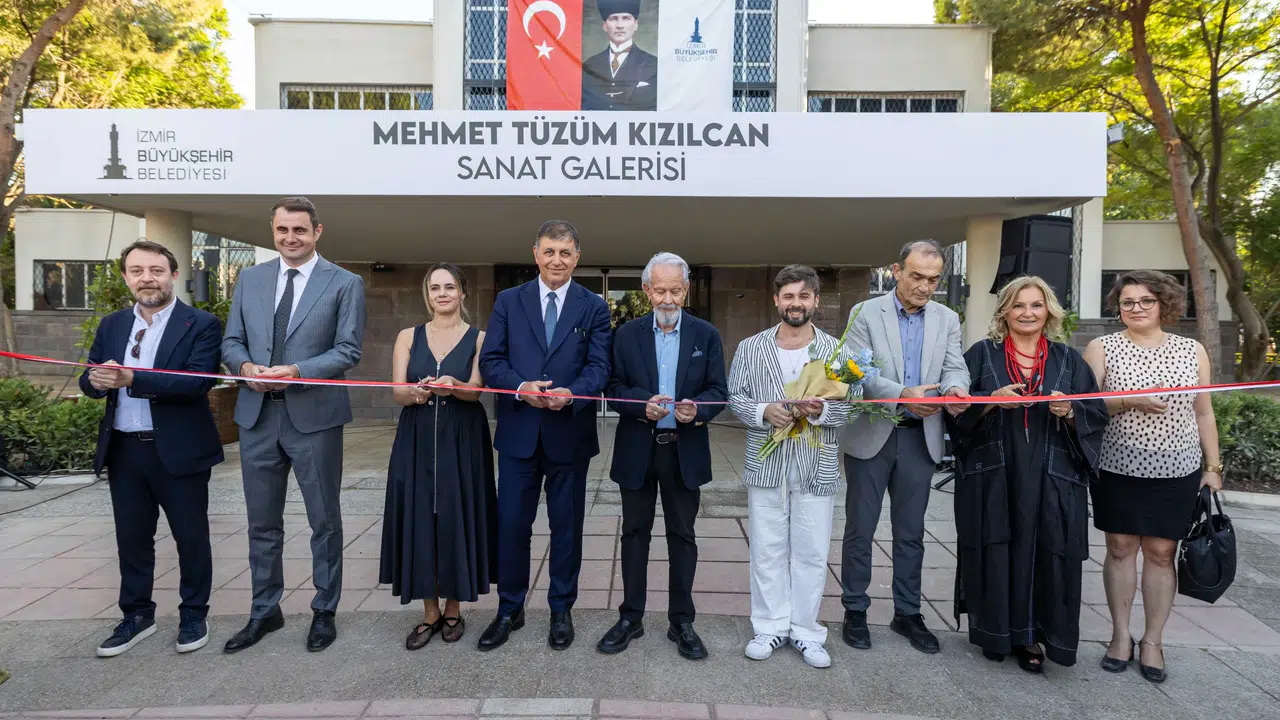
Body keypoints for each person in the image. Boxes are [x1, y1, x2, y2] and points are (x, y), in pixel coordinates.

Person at [221, 197, 366, 654]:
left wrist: (297, 370)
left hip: (314, 417)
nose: (290, 238)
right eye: (282, 229)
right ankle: (265, 610)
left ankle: (324, 610)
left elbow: (348, 349)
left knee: (324, 520)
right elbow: (231, 340)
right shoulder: (250, 279)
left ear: (317, 232)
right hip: (257, 417)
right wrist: (244, 367)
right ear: (273, 231)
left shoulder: (345, 282)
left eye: (300, 229)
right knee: (262, 523)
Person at [945, 276, 1108, 674]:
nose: (1027, 313)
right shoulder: (981, 355)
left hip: (1051, 475)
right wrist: (989, 401)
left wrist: (1070, 412)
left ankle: (1033, 636)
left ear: (1048, 310)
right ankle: (995, 633)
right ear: (1004, 311)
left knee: (1047, 552)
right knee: (995, 546)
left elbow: (1096, 413)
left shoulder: (1068, 360)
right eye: (1019, 305)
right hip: (995, 473)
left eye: (1036, 305)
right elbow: (956, 410)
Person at [79, 240, 224, 657]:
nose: (147, 279)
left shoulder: (200, 323)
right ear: (126, 277)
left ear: (173, 275)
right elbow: (89, 377)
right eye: (137, 271)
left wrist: (133, 379)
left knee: (190, 538)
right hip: (124, 449)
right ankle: (137, 615)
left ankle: (193, 613)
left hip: (179, 449)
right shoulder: (112, 324)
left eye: (156, 271)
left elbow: (199, 381)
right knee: (132, 539)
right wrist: (96, 381)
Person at [477, 220, 612, 651]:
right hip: (519, 433)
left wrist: (573, 394)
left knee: (566, 528)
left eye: (565, 252)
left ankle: (560, 610)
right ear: (535, 253)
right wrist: (521, 387)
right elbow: (492, 360)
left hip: (569, 434)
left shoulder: (594, 306)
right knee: (512, 526)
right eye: (549, 251)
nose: (557, 260)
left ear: (577, 257)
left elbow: (600, 367)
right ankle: (509, 609)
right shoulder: (508, 300)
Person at [1082, 270, 1222, 684]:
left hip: (1178, 468)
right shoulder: (1102, 347)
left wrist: (1213, 468)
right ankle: (1119, 636)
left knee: (1162, 552)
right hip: (1118, 466)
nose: (1136, 308)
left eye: (1146, 301)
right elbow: (1088, 406)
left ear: (1164, 304)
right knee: (1120, 547)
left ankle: (1153, 642)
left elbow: (1204, 411)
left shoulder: (1192, 350)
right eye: (1127, 302)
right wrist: (1129, 401)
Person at [838, 240, 970, 654]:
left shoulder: (947, 318)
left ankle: (907, 613)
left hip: (921, 438)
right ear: (896, 271)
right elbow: (854, 370)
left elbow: (955, 366)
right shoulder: (865, 312)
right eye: (916, 276)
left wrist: (956, 390)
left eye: (933, 279)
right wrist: (901, 395)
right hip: (871, 435)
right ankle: (854, 609)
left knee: (911, 533)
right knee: (860, 529)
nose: (925, 287)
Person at [596, 252, 727, 660]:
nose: (667, 299)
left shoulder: (706, 334)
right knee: (634, 535)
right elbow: (613, 387)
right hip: (638, 448)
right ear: (646, 291)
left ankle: (681, 621)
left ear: (685, 291)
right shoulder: (625, 334)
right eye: (660, 290)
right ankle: (630, 617)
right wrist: (641, 404)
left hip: (684, 451)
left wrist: (698, 409)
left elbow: (718, 391)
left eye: (675, 290)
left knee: (683, 536)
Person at [727, 265, 853, 669]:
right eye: (788, 296)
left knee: (812, 550)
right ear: (776, 300)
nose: (795, 304)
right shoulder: (751, 348)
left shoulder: (837, 351)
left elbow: (852, 407)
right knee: (766, 548)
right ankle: (769, 626)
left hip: (817, 463)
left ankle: (806, 631)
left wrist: (820, 411)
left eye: (803, 296)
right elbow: (735, 397)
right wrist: (764, 411)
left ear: (815, 300)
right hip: (767, 462)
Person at [380, 263, 498, 649]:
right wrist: (414, 393)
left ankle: (454, 608)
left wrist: (454, 385)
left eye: (449, 287)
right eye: (435, 288)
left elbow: (476, 390)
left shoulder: (480, 338)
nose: (442, 293)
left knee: (456, 513)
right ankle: (429, 611)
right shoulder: (407, 337)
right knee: (420, 515)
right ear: (427, 295)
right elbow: (398, 391)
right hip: (415, 436)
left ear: (463, 293)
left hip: (462, 436)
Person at [582, 0, 658, 111]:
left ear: (635, 25)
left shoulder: (653, 64)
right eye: (613, 19)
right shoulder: (590, 66)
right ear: (605, 26)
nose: (619, 26)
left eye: (626, 18)